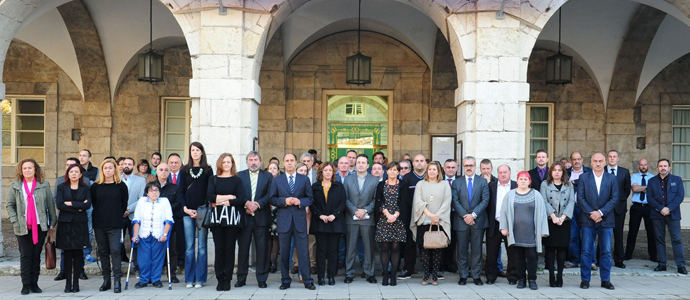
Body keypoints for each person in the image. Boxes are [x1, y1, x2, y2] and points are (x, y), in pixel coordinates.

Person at [5, 158, 57, 295]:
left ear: (35, 170)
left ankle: (35, 284)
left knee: (36, 255)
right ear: (21, 171)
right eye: (24, 168)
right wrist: (15, 221)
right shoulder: (16, 185)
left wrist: (52, 222)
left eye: (30, 168)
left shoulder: (43, 185)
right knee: (25, 255)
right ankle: (25, 284)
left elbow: (50, 205)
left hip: (40, 226)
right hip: (22, 226)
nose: (27, 170)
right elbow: (9, 204)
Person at [270, 153, 316, 290]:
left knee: (303, 251)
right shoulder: (277, 180)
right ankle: (285, 280)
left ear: (296, 162)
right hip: (284, 221)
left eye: (292, 160)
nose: (289, 163)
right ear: (283, 163)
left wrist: (300, 202)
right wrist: (284, 201)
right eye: (287, 161)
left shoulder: (304, 179)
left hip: (299, 220)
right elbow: (272, 198)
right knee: (284, 252)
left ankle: (307, 280)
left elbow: (310, 198)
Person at [500, 171, 549, 290]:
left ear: (529, 181)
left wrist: (543, 229)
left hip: (531, 233)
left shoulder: (536, 195)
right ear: (517, 181)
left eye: (525, 179)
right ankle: (521, 279)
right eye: (520, 179)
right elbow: (504, 212)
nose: (523, 181)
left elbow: (542, 213)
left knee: (532, 256)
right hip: (516, 233)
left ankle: (532, 279)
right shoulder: (510, 195)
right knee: (518, 257)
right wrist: (504, 227)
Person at [577, 153, 618, 290]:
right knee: (586, 251)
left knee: (606, 251)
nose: (598, 163)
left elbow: (614, 198)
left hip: (606, 220)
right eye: (595, 161)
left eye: (600, 161)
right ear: (591, 162)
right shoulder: (583, 177)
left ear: (605, 162)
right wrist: (592, 213)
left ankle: (605, 280)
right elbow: (581, 198)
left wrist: (600, 213)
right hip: (588, 220)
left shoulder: (612, 178)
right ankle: (585, 280)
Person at [206, 153, 246, 291]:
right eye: (224, 162)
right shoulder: (214, 179)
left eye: (229, 162)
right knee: (219, 250)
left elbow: (241, 199)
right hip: (217, 219)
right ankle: (219, 279)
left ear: (232, 164)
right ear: (220, 164)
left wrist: (221, 201)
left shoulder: (237, 180)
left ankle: (228, 279)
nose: (227, 164)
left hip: (232, 219)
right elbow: (210, 197)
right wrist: (229, 197)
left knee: (229, 249)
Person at [178, 142, 214, 288]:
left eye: (197, 150)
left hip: (202, 212)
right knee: (189, 247)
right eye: (192, 150)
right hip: (187, 213)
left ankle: (200, 278)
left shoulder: (208, 170)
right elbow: (180, 192)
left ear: (202, 152)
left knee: (202, 246)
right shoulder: (184, 170)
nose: (195, 152)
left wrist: (202, 209)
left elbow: (210, 191)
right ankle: (189, 279)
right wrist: (186, 209)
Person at [236, 151, 274, 289]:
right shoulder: (240, 175)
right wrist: (246, 203)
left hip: (262, 218)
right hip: (245, 218)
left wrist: (257, 204)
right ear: (247, 161)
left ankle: (262, 278)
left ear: (260, 161)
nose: (253, 162)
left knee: (262, 250)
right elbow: (237, 194)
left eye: (256, 159)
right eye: (251, 160)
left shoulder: (268, 176)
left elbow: (270, 194)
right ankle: (241, 278)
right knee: (243, 250)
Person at [411, 161, 452, 286]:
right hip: (424, 221)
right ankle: (425, 275)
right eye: (430, 169)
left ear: (439, 171)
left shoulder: (444, 185)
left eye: (434, 169)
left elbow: (447, 201)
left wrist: (437, 217)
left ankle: (435, 276)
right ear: (426, 171)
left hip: (439, 222)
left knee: (437, 251)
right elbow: (418, 202)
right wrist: (430, 216)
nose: (432, 171)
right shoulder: (421, 184)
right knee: (424, 251)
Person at [91, 158, 128, 293]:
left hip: (115, 223)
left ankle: (117, 280)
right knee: (103, 252)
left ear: (115, 169)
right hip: (100, 223)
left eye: (110, 168)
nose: (108, 170)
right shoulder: (95, 186)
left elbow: (123, 204)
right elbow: (94, 204)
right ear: (102, 170)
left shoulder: (121, 186)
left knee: (115, 251)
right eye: (105, 168)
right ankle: (106, 280)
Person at [451, 156, 489, 286]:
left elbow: (485, 200)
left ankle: (476, 275)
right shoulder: (457, 182)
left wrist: (473, 215)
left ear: (475, 167)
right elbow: (455, 201)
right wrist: (465, 216)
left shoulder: (482, 182)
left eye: (471, 165)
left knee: (477, 250)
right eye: (466, 165)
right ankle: (463, 275)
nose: (468, 168)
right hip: (461, 221)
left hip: (478, 221)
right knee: (462, 250)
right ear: (463, 167)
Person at [343, 154, 379, 284]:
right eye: (359, 162)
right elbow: (345, 198)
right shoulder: (348, 179)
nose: (361, 164)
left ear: (368, 165)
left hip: (368, 218)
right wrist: (354, 210)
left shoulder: (374, 180)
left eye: (364, 162)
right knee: (350, 247)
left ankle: (369, 272)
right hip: (351, 217)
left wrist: (365, 210)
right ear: (355, 164)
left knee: (369, 248)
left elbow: (376, 199)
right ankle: (349, 273)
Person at [55, 163, 92, 293]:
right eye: (71, 172)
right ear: (68, 174)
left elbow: (87, 206)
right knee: (67, 253)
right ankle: (67, 284)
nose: (74, 174)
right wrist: (79, 207)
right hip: (65, 224)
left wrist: (71, 204)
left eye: (76, 172)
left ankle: (76, 283)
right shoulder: (61, 187)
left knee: (78, 254)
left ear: (81, 174)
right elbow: (59, 205)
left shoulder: (86, 188)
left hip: (80, 224)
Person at [647, 159, 687, 274]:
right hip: (657, 214)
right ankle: (662, 264)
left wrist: (668, 208)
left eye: (665, 166)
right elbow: (650, 198)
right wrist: (661, 209)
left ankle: (680, 265)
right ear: (657, 168)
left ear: (669, 168)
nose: (663, 168)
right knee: (659, 239)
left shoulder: (677, 180)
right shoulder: (652, 181)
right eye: (660, 166)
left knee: (677, 239)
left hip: (673, 214)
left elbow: (680, 196)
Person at [131, 181, 174, 289]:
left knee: (157, 258)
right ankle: (143, 279)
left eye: (156, 190)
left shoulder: (164, 201)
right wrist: (135, 235)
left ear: (159, 192)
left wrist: (165, 234)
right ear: (147, 192)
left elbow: (169, 219)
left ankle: (156, 279)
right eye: (151, 190)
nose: (154, 193)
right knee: (143, 259)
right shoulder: (141, 201)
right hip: (144, 234)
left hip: (159, 234)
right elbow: (136, 219)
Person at [311, 162, 346, 286]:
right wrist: (320, 215)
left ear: (333, 172)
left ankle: (331, 276)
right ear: (321, 172)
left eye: (330, 170)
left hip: (334, 222)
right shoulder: (315, 186)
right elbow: (312, 202)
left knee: (333, 250)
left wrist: (334, 215)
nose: (327, 172)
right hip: (320, 222)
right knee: (320, 251)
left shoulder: (338, 186)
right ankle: (320, 277)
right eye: (325, 170)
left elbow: (342, 203)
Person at [540, 162, 575, 287]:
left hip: (564, 221)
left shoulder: (569, 185)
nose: (557, 172)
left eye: (559, 170)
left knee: (561, 249)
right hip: (550, 220)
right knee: (549, 249)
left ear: (563, 172)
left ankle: (560, 276)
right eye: (554, 170)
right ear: (550, 172)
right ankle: (551, 276)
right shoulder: (545, 184)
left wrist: (563, 217)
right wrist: (553, 216)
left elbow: (571, 202)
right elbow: (543, 200)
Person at [375, 162, 407, 286]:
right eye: (390, 170)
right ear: (386, 171)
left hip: (398, 220)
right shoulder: (381, 185)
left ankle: (393, 275)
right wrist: (387, 214)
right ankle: (385, 275)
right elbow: (379, 200)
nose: (392, 172)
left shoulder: (403, 185)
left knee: (395, 248)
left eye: (395, 170)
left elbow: (404, 202)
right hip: (384, 219)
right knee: (384, 248)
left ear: (398, 172)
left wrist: (396, 215)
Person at [485, 164, 517, 285]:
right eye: (500, 173)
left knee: (512, 252)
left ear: (510, 173)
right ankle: (491, 276)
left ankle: (513, 277)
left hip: (511, 224)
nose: (503, 174)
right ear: (497, 174)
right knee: (491, 252)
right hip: (495, 223)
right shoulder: (491, 186)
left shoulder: (515, 186)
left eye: (505, 172)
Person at [398, 154, 428, 280]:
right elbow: (404, 200)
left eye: (422, 161)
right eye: (417, 161)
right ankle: (408, 269)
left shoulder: (430, 177)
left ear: (426, 163)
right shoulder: (406, 179)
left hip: (427, 216)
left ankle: (430, 269)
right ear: (413, 164)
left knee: (427, 244)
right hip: (411, 216)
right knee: (410, 245)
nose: (419, 163)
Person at [625, 158, 658, 262]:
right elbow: (634, 189)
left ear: (648, 166)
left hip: (649, 207)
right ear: (638, 166)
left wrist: (641, 187)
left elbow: (654, 191)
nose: (643, 167)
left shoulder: (654, 178)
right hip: (637, 207)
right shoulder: (634, 176)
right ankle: (628, 255)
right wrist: (647, 188)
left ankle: (653, 256)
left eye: (645, 165)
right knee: (632, 231)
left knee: (651, 232)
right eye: (641, 165)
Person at [604, 150, 631, 269]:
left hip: (619, 208)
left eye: (614, 157)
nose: (612, 158)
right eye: (610, 156)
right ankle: (601, 259)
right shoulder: (602, 170)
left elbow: (626, 190)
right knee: (603, 233)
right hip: (604, 208)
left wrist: (618, 201)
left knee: (618, 234)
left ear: (618, 158)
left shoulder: (624, 172)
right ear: (607, 158)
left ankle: (619, 260)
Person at [154, 163, 181, 283]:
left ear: (169, 172)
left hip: (170, 223)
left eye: (166, 170)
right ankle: (155, 275)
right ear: (156, 172)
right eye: (161, 170)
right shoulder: (151, 187)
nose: (163, 172)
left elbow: (178, 203)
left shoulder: (174, 188)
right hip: (154, 223)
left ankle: (172, 274)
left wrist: (166, 208)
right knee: (156, 250)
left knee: (172, 250)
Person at [566, 151, 592, 268]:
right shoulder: (566, 173)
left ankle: (590, 261)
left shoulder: (589, 172)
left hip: (586, 207)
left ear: (582, 160)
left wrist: (575, 182)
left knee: (588, 234)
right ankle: (573, 260)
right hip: (571, 207)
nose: (576, 161)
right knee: (572, 235)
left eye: (578, 159)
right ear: (570, 161)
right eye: (574, 159)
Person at [120, 157, 146, 272]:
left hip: (133, 215)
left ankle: (137, 266)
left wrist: (128, 209)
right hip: (118, 215)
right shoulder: (117, 180)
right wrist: (121, 210)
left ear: (133, 166)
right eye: (125, 164)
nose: (127, 166)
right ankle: (118, 267)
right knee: (118, 242)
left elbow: (141, 199)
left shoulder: (140, 181)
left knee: (135, 241)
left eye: (129, 164)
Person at [167, 153, 185, 267]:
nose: (174, 165)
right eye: (171, 163)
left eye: (176, 162)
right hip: (166, 213)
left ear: (180, 164)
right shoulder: (164, 175)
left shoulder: (185, 176)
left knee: (180, 238)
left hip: (180, 213)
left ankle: (181, 260)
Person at [441, 159, 459, 274]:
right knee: (441, 238)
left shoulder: (460, 181)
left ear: (456, 169)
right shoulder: (439, 181)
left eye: (453, 167)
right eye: (448, 167)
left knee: (453, 239)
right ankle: (440, 264)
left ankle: (449, 264)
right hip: (442, 214)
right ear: (444, 169)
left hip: (456, 214)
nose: (451, 169)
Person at [266, 162, 281, 273]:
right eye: (270, 168)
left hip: (277, 212)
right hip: (266, 211)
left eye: (274, 168)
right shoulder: (265, 181)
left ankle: (274, 262)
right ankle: (266, 262)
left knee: (275, 237)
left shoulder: (280, 181)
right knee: (267, 238)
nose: (272, 170)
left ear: (278, 170)